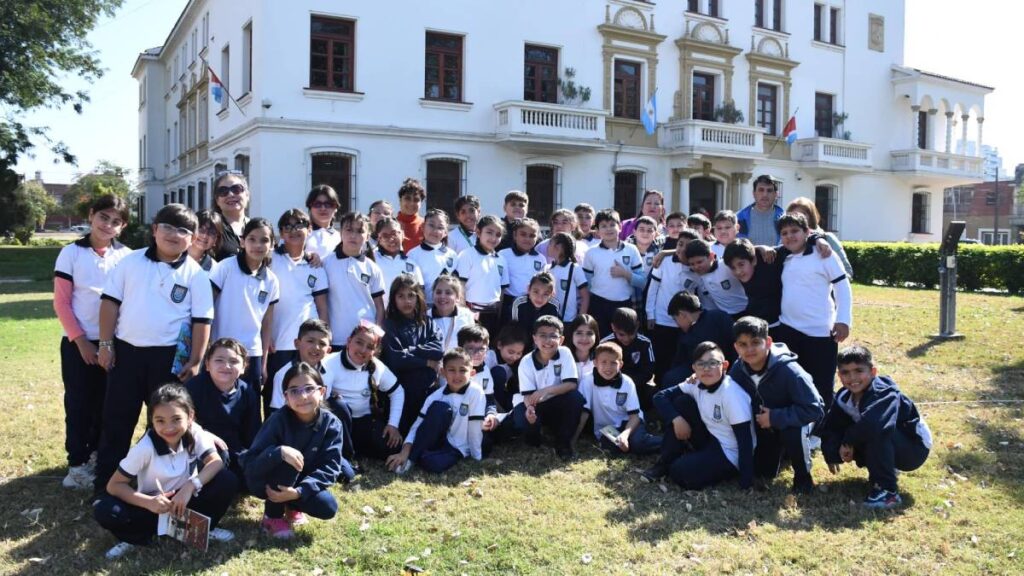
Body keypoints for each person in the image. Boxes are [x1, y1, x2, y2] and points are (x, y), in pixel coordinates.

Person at [94, 204, 214, 494]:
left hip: (169, 358)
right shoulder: (130, 262)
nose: (175, 234)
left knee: (167, 424)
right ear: (154, 230)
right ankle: (105, 487)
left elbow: (202, 320)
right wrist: (106, 344)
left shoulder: (195, 274)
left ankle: (161, 485)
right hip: (126, 353)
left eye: (184, 230)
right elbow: (110, 303)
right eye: (168, 227)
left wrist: (196, 359)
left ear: (194, 237)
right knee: (117, 420)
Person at [94, 384, 237, 559]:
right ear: (152, 420)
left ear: (190, 416)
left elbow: (215, 462)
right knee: (106, 510)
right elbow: (114, 485)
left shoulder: (194, 432)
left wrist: (190, 486)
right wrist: (149, 502)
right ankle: (136, 538)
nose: (169, 428)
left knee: (227, 480)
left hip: (184, 502)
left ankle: (204, 528)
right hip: (153, 505)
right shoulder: (144, 448)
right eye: (160, 420)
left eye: (176, 419)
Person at [54, 194, 132, 489]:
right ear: (91, 216)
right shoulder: (71, 253)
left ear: (122, 227)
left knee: (107, 404)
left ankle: (99, 457)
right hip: (79, 345)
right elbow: (62, 303)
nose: (108, 225)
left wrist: (106, 344)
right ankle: (77, 464)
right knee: (79, 404)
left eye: (116, 222)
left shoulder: (126, 256)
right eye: (104, 217)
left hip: (112, 344)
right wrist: (82, 342)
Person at [813, 346, 931, 509]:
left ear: (873, 371)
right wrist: (832, 451)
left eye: (859, 370)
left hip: (914, 448)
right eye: (845, 372)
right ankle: (881, 472)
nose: (852, 377)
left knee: (876, 429)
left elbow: (875, 424)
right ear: (839, 375)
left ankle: (889, 492)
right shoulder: (843, 396)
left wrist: (848, 441)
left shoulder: (884, 392)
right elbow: (831, 426)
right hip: (881, 438)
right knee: (851, 427)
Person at [242, 363, 345, 540]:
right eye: (294, 391)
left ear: (322, 392)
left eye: (309, 389)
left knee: (327, 507)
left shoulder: (332, 423)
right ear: (286, 397)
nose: (303, 396)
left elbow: (331, 466)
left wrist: (300, 492)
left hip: (299, 483)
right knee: (290, 457)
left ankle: (292, 506)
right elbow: (251, 462)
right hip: (266, 481)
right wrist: (279, 452)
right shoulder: (277, 420)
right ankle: (272, 517)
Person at [728, 316, 823, 493]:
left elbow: (814, 409)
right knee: (765, 472)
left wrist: (775, 417)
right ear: (736, 347)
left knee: (794, 431)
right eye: (743, 344)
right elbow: (726, 394)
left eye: (755, 342)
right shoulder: (738, 369)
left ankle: (803, 477)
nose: (749, 349)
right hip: (763, 424)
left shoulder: (790, 371)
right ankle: (783, 452)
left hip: (797, 418)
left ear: (768, 341)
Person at [644, 342, 754, 490]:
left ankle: (705, 465)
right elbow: (660, 396)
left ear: (725, 365)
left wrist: (745, 482)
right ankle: (664, 463)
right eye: (700, 364)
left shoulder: (732, 394)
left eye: (713, 363)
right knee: (682, 403)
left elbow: (745, 441)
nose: (706, 368)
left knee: (679, 472)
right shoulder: (696, 381)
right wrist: (677, 419)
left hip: (729, 451)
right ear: (694, 368)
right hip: (710, 436)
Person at [773, 212, 853, 408]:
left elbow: (842, 286)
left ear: (807, 232)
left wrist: (843, 319)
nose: (790, 236)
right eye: (784, 233)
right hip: (788, 329)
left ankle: (822, 430)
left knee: (822, 386)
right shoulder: (781, 256)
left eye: (795, 231)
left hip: (820, 332)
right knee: (792, 383)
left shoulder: (824, 254)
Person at [210, 218, 280, 409]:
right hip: (220, 350)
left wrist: (264, 363)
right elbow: (207, 309)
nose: (258, 245)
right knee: (217, 406)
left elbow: (267, 324)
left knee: (249, 407)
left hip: (252, 353)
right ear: (242, 241)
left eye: (264, 240)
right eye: (252, 239)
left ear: (273, 244)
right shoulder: (225, 268)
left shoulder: (272, 281)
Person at [386, 347, 486, 474]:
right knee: (440, 408)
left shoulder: (476, 392)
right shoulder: (435, 396)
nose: (457, 375)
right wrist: (404, 453)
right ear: (443, 372)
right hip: (441, 441)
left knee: (432, 464)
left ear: (472, 373)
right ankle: (411, 459)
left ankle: (424, 456)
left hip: (459, 446)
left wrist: (476, 457)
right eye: (451, 370)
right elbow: (418, 425)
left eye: (462, 370)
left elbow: (475, 428)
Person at [327, 323, 405, 466]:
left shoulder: (376, 367)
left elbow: (397, 391)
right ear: (349, 341)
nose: (363, 350)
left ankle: (357, 449)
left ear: (375, 351)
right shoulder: (329, 362)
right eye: (359, 342)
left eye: (370, 347)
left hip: (364, 422)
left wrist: (393, 424)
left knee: (392, 447)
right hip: (339, 425)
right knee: (337, 404)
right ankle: (346, 455)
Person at [267, 209, 329, 385]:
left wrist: (325, 337)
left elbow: (322, 306)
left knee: (307, 392)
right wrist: (267, 335)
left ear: (309, 229)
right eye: (287, 227)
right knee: (276, 394)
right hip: (277, 342)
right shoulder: (270, 259)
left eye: (299, 225)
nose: (293, 230)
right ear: (281, 233)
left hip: (307, 344)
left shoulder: (315, 265)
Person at [186, 338, 261, 481]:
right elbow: (183, 422)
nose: (226, 366)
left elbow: (252, 432)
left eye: (234, 362)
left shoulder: (247, 392)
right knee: (221, 466)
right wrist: (205, 435)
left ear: (244, 367)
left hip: (234, 449)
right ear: (207, 364)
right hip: (202, 447)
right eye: (219, 360)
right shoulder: (194, 387)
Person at [381, 275, 444, 434]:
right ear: (393, 298)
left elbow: (438, 349)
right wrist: (426, 363)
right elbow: (395, 359)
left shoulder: (427, 322)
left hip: (427, 388)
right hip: (403, 391)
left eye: (411, 296)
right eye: (401, 296)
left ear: (418, 297)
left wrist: (410, 350)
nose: (406, 301)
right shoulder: (389, 325)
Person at [578, 342, 662, 456]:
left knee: (638, 443)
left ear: (621, 364)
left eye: (613, 363)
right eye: (603, 362)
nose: (608, 367)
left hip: (629, 423)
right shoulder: (588, 381)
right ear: (595, 363)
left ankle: (670, 443)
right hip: (607, 428)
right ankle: (632, 445)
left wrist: (625, 435)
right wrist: (574, 439)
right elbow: (584, 412)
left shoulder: (627, 382)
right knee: (612, 449)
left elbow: (634, 416)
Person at [518, 316, 585, 460]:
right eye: (542, 335)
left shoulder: (565, 353)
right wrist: (530, 408)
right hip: (535, 404)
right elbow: (528, 395)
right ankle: (536, 435)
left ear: (561, 340)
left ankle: (563, 443)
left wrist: (546, 390)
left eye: (553, 336)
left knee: (576, 398)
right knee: (526, 428)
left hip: (556, 402)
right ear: (534, 339)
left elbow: (571, 384)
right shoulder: (526, 361)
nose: (548, 341)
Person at [645, 228, 702, 384]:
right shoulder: (665, 261)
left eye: (687, 246)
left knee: (679, 358)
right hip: (662, 319)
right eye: (680, 244)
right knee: (661, 357)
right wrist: (650, 313)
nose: (682, 249)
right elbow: (653, 288)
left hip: (684, 323)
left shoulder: (696, 268)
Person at [323, 212, 386, 349]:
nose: (353, 235)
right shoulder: (326, 263)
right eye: (349, 230)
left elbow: (380, 307)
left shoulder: (372, 267)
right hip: (335, 338)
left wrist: (377, 333)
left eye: (359, 231)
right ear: (341, 232)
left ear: (368, 236)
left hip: (365, 339)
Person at [582, 209, 643, 336]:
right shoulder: (591, 252)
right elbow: (586, 284)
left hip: (624, 304)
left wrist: (625, 274)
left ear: (620, 227)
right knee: (600, 342)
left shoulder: (631, 250)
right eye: (603, 226)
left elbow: (642, 282)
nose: (608, 229)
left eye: (612, 224)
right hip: (599, 304)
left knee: (623, 341)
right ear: (597, 231)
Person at [661, 292, 736, 387]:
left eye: (675, 319)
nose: (677, 324)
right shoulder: (720, 316)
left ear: (682, 314)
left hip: (722, 373)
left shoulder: (718, 319)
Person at [455, 215, 508, 340]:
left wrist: (499, 314)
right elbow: (460, 285)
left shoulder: (501, 260)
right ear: (478, 232)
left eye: (498, 234)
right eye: (489, 232)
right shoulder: (467, 255)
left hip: (493, 313)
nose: (493, 238)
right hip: (471, 312)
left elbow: (502, 291)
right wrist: (465, 313)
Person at [601, 308, 655, 413]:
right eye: (621, 334)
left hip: (636, 385)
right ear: (613, 327)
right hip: (611, 384)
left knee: (650, 393)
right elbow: (599, 369)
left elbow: (649, 371)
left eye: (631, 334)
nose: (626, 339)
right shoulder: (605, 344)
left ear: (637, 326)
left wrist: (628, 384)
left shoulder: (645, 343)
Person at [786, 197, 853, 278]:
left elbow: (847, 271)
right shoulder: (786, 241)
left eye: (803, 214)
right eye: (794, 215)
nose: (798, 218)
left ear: (811, 217)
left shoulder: (828, 238)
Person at [499, 217, 546, 322]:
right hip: (509, 302)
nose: (527, 239)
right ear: (515, 235)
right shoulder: (503, 255)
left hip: (532, 303)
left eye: (532, 235)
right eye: (523, 234)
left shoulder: (541, 258)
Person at [685, 239, 748, 318]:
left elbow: (748, 252)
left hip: (747, 310)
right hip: (726, 316)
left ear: (711, 256)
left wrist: (762, 248)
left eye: (699, 262)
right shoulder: (696, 275)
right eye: (692, 264)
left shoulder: (726, 265)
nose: (696, 267)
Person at [407, 208, 458, 307]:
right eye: (431, 225)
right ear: (422, 227)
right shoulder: (412, 254)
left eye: (440, 227)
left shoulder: (452, 255)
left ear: (446, 232)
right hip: (422, 305)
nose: (435, 230)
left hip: (446, 305)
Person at [373, 216, 424, 304]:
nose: (391, 239)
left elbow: (420, 294)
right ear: (379, 239)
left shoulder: (412, 264)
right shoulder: (371, 261)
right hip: (377, 315)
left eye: (394, 233)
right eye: (385, 236)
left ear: (402, 234)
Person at [545, 232, 590, 323]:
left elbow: (585, 296)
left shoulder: (574, 268)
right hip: (550, 319)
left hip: (568, 321)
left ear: (559, 247)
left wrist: (580, 321)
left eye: (550, 243)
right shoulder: (547, 268)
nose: (547, 247)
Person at [428, 274, 476, 353]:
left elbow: (472, 345)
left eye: (448, 293)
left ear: (457, 297)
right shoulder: (425, 317)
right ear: (433, 295)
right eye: (438, 292)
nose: (442, 296)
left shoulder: (466, 315)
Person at [211, 170, 251, 261]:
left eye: (236, 189)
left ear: (247, 195)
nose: (230, 194)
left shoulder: (256, 227)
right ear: (217, 200)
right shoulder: (211, 228)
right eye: (223, 191)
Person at [737, 174, 784, 246]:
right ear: (754, 193)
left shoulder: (784, 219)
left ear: (776, 194)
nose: (765, 194)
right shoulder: (739, 218)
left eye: (769, 190)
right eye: (761, 190)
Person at [510, 272, 559, 339]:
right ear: (528, 289)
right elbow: (512, 329)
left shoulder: (554, 306)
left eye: (545, 294)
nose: (540, 298)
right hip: (520, 340)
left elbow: (552, 330)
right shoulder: (519, 303)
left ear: (552, 294)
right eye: (536, 292)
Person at [304, 184, 342, 259]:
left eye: (328, 204)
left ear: (336, 208)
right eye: (317, 204)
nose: (323, 208)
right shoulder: (301, 235)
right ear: (310, 207)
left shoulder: (342, 237)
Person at [396, 178, 426, 252]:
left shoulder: (426, 225)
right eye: (407, 198)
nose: (411, 203)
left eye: (416, 200)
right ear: (400, 201)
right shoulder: (391, 225)